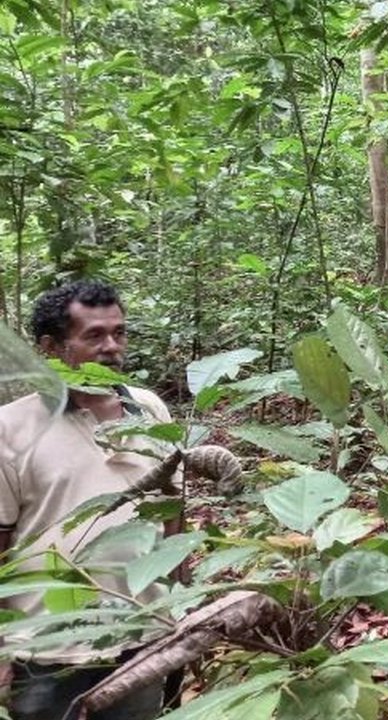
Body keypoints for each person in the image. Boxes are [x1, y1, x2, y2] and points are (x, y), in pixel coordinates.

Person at [0, 280, 176, 720]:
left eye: (119, 333)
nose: (111, 346)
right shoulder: (11, 428)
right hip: (46, 652)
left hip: (139, 638)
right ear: (51, 347)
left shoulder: (150, 410)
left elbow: (173, 511)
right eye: (94, 335)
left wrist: (177, 608)